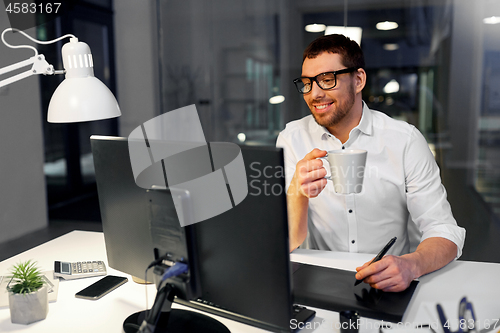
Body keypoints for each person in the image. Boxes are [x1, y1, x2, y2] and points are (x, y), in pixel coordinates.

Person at [276, 34, 466, 292]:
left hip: (389, 284)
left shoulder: (404, 141)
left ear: (358, 80)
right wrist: (298, 192)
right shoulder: (292, 139)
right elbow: (285, 243)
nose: (315, 93)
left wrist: (412, 265)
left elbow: (444, 230)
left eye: (327, 80)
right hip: (318, 283)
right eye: (307, 83)